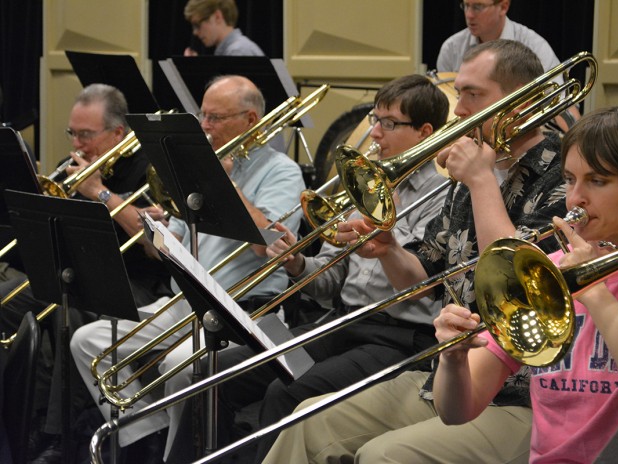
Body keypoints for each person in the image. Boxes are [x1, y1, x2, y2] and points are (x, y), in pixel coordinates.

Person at [261, 39, 568, 464]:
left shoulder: (565, 173)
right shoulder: (472, 169)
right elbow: (422, 280)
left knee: (377, 455)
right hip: (442, 373)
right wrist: (388, 251)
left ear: (522, 100)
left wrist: (481, 182)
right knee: (304, 419)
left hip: (518, 390)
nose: (458, 110)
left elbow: (517, 281)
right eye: (459, 94)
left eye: (473, 95)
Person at [165, 73, 451, 464]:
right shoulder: (367, 183)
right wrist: (298, 262)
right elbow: (332, 282)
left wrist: (389, 249)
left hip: (398, 338)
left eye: (389, 123)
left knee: (286, 393)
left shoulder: (443, 196)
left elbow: (426, 285)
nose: (374, 133)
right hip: (343, 322)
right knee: (214, 374)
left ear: (424, 131)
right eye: (374, 119)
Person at [432, 105, 618, 463]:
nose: (575, 198)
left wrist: (594, 292)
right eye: (570, 180)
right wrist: (452, 359)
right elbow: (457, 411)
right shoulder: (544, 275)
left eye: (597, 181)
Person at [70, 75, 304, 460]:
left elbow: (271, 245)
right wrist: (151, 226)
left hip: (245, 308)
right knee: (89, 341)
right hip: (187, 301)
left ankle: (179, 456)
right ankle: (149, 438)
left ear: (249, 119)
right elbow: (160, 250)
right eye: (203, 115)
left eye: (215, 117)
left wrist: (223, 181)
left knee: (180, 364)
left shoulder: (282, 170)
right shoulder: (197, 168)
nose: (204, 126)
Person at [0, 83, 174, 464]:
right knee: (7, 301)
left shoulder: (150, 168)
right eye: (72, 133)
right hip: (80, 275)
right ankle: (20, 418)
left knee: (67, 311)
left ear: (117, 133)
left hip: (139, 284)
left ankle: (58, 436)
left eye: (86, 135)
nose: (77, 144)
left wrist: (99, 192)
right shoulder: (78, 167)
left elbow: (160, 244)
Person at [437, 0, 579, 129]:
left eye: (478, 7)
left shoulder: (534, 45)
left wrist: (575, 145)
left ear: (503, 7)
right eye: (466, 5)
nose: (469, 15)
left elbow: (561, 104)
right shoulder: (451, 48)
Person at [183, 0, 264, 57]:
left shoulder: (238, 51)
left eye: (197, 25)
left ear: (217, 17)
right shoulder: (233, 50)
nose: (195, 32)